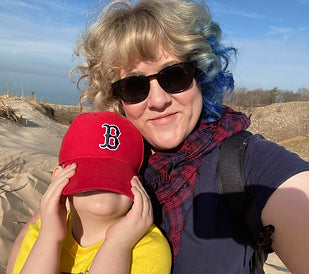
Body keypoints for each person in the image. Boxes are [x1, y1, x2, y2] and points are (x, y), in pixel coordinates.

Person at [7, 0, 309, 273]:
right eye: (134, 86)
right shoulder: (107, 154)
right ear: (117, 97)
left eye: (173, 75)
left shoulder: (246, 162)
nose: (158, 100)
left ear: (200, 75)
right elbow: (36, 233)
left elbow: (295, 194)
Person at [10, 111, 171, 274]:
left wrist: (118, 245)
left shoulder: (147, 246)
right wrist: (49, 239)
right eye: (90, 173)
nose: (104, 182)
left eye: (116, 175)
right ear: (58, 177)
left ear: (139, 185)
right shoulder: (40, 233)